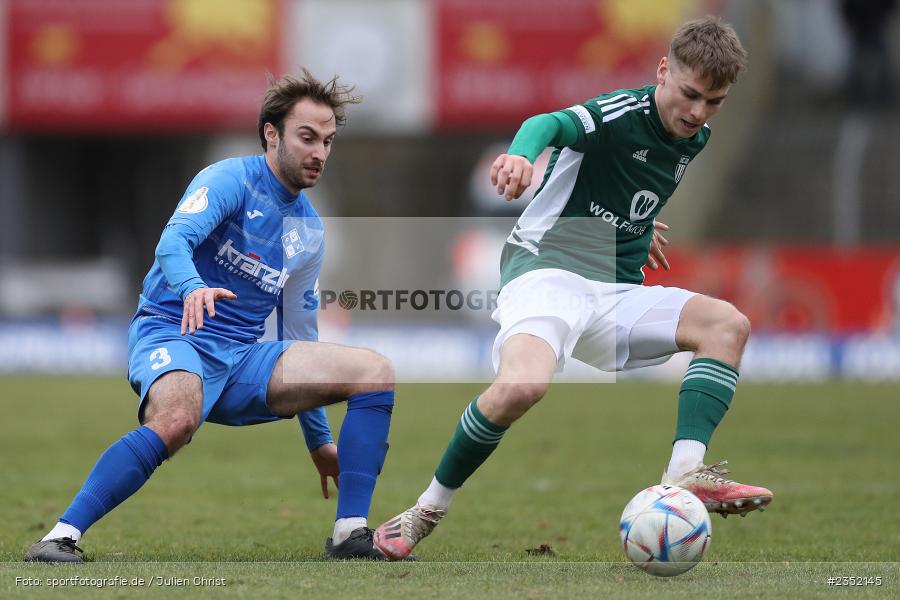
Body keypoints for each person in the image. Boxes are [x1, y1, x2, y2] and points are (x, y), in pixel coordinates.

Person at [374, 16, 773, 560]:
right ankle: (425, 510)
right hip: (548, 273)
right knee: (521, 388)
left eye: (714, 102)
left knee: (728, 325)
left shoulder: (694, 137)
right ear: (663, 72)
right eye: (690, 94)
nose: (698, 112)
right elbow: (550, 123)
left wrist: (636, 225)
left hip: (614, 294)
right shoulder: (621, 112)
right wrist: (521, 153)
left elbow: (626, 185)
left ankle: (686, 473)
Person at [25, 69, 397, 562]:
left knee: (375, 371)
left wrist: (319, 442)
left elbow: (299, 333)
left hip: (242, 360)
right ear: (272, 133)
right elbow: (172, 242)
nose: (320, 153)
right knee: (177, 417)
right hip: (174, 332)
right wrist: (193, 287)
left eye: (328, 141)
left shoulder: (307, 230)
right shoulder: (229, 179)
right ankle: (60, 537)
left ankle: (351, 534)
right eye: (307, 137)